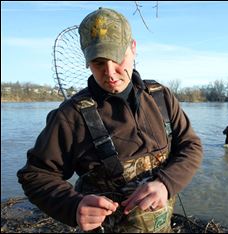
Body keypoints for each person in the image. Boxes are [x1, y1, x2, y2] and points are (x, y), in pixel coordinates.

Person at [17, 7, 203, 233]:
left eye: (117, 59)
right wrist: (73, 207)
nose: (111, 73)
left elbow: (191, 146)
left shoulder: (160, 97)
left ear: (133, 48)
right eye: (98, 63)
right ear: (87, 61)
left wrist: (166, 183)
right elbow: (35, 175)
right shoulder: (70, 116)